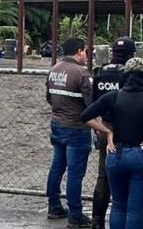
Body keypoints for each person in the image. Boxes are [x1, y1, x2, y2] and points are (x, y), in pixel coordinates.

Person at [81, 57, 143, 229]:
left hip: (115, 154)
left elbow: (85, 116)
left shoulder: (113, 96)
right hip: (139, 154)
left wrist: (107, 131)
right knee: (136, 210)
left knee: (118, 204)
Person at [44, 37, 93, 227]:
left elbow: (49, 97)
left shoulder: (54, 69)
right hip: (77, 128)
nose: (87, 55)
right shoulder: (81, 73)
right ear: (80, 51)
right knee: (75, 173)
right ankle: (75, 214)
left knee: (57, 166)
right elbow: (91, 104)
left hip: (57, 124)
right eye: (86, 51)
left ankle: (54, 205)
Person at [90, 36, 136, 229]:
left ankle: (97, 221)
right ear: (132, 54)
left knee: (104, 175)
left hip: (106, 127)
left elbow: (93, 103)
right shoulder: (132, 75)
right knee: (134, 173)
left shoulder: (100, 72)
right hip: (130, 127)